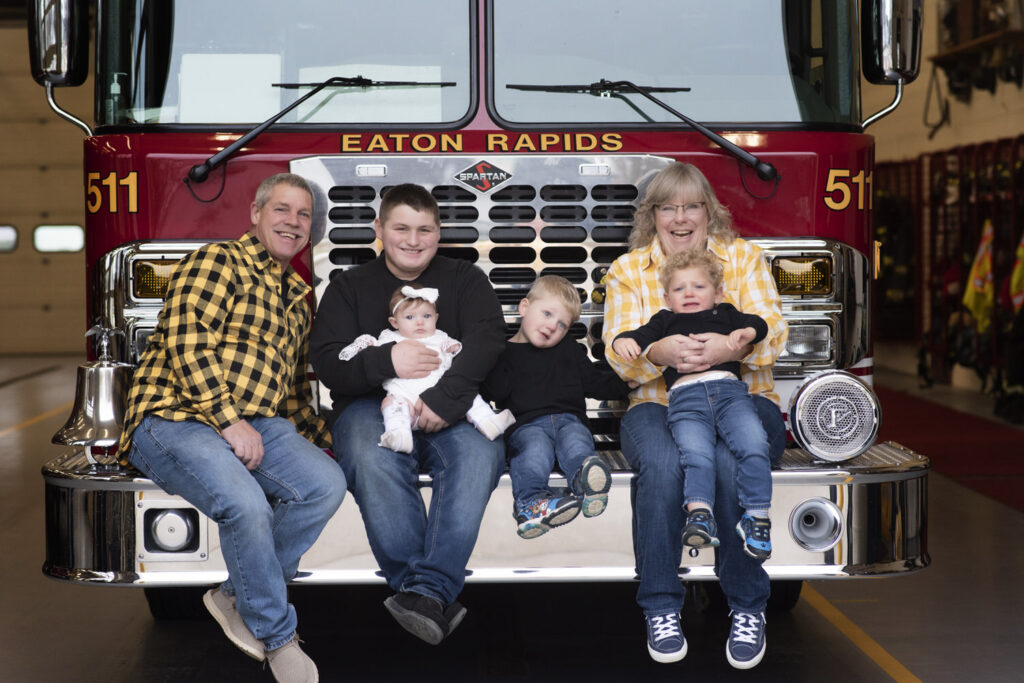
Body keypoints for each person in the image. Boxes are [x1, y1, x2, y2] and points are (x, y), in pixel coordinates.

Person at [119, 173, 347, 683]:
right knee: (245, 504)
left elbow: (291, 392)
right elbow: (185, 344)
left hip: (257, 421)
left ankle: (233, 595)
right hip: (174, 416)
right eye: (282, 210)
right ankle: (277, 635)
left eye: (304, 215)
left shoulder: (296, 295)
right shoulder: (217, 261)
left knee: (325, 485)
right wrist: (229, 421)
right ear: (256, 213)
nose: (293, 222)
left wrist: (335, 447)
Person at [602, 162, 788, 670]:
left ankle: (747, 606)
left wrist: (730, 345)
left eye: (691, 206)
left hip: (744, 397)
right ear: (652, 216)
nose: (680, 219)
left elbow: (774, 331)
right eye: (667, 207)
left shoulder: (744, 257)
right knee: (662, 466)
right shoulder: (627, 270)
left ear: (709, 212)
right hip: (658, 406)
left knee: (731, 466)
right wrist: (659, 352)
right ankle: (662, 606)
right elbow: (620, 358)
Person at [310, 183, 506, 646]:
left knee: (481, 455)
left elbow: (489, 339)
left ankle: (424, 594)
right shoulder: (347, 286)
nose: (413, 239)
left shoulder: (466, 279)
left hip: (451, 405)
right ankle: (430, 591)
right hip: (368, 405)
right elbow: (326, 360)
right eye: (401, 228)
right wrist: (387, 362)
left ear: (439, 233)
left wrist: (446, 398)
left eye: (425, 230)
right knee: (367, 454)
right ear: (379, 229)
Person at [611, 250, 772, 559]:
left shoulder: (725, 314)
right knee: (695, 456)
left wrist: (746, 332)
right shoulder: (665, 320)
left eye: (698, 287)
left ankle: (757, 516)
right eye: (679, 289)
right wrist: (623, 342)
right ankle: (700, 515)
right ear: (667, 298)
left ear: (718, 293)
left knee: (753, 444)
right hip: (686, 402)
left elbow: (759, 324)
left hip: (730, 395)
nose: (689, 294)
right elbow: (639, 336)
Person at [481, 275, 635, 539]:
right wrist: (491, 356)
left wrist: (628, 382)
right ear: (524, 307)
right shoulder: (504, 353)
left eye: (562, 324)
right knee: (533, 454)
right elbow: (494, 391)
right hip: (527, 427)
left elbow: (596, 382)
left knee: (577, 444)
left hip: (569, 421)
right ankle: (530, 504)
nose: (552, 326)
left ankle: (587, 482)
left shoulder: (570, 351)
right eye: (547, 314)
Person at [338, 282, 515, 453]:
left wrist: (454, 348)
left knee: (469, 398)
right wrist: (364, 343)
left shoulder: (439, 337)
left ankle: (489, 423)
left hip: (442, 394)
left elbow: (456, 348)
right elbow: (373, 350)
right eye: (410, 317)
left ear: (436, 318)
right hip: (405, 396)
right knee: (391, 404)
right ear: (394, 322)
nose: (420, 323)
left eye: (427, 316)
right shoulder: (388, 338)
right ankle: (399, 434)